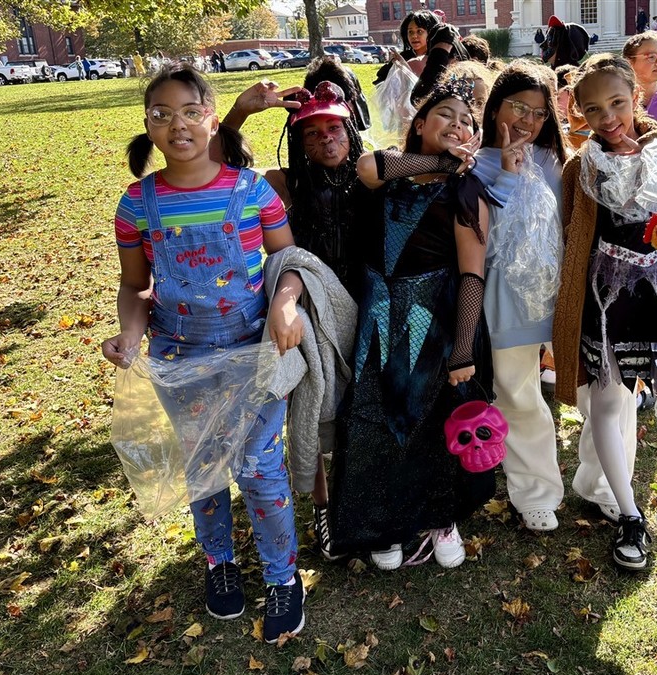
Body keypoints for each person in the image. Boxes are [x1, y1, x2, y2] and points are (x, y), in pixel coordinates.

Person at [102, 65, 307, 644]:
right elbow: (135, 286)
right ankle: (219, 563)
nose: (178, 125)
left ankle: (283, 576)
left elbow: (290, 263)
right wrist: (130, 334)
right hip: (180, 359)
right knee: (205, 467)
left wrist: (284, 304)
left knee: (260, 468)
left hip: (255, 351)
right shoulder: (136, 204)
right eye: (162, 115)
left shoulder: (253, 190)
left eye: (191, 112)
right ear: (148, 125)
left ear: (213, 120)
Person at [327, 77, 495, 571]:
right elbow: (368, 167)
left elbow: (472, 272)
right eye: (445, 115)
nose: (457, 125)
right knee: (374, 418)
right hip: (378, 315)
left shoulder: (467, 192)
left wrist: (462, 347)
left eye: (466, 121)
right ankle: (383, 521)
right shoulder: (393, 170)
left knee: (430, 417)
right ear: (419, 123)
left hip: (433, 319)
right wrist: (442, 161)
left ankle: (441, 516)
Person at [553, 54, 657, 571]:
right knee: (606, 401)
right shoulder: (581, 167)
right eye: (594, 109)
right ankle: (629, 514)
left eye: (617, 103)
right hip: (608, 298)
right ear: (579, 113)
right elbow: (572, 236)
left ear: (636, 97)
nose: (608, 118)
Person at [221, 62, 372, 562]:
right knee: (312, 400)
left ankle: (357, 492)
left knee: (358, 403)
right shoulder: (281, 183)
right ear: (298, 141)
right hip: (307, 304)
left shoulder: (372, 174)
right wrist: (240, 112)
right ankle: (323, 504)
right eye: (312, 132)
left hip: (365, 303)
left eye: (334, 128)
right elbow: (217, 167)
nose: (326, 139)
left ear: (350, 127)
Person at [471, 60, 568, 531]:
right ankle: (534, 492)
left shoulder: (551, 161)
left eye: (539, 113)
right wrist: (507, 175)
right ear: (495, 109)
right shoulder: (472, 163)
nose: (529, 121)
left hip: (555, 296)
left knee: (563, 393)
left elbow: (568, 227)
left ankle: (597, 481)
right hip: (505, 299)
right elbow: (479, 240)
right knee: (517, 393)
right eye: (519, 108)